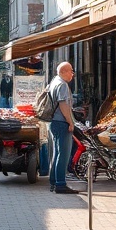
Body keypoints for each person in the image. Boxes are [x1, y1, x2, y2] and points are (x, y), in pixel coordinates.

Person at [46, 62, 78, 194]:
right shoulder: (62, 85)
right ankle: (60, 183)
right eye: (71, 71)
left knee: (57, 153)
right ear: (64, 71)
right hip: (61, 122)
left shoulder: (54, 82)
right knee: (63, 154)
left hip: (54, 122)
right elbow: (63, 105)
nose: (73, 74)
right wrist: (70, 122)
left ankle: (54, 181)